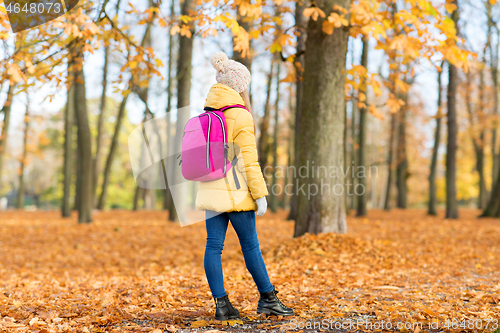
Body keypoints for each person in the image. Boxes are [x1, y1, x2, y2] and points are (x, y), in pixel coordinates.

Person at [195, 51, 294, 321]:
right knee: (250, 247)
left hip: (210, 191)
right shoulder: (241, 116)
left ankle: (222, 305)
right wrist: (260, 195)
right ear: (239, 87)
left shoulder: (205, 115)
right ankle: (268, 300)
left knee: (213, 247)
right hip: (237, 194)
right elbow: (250, 162)